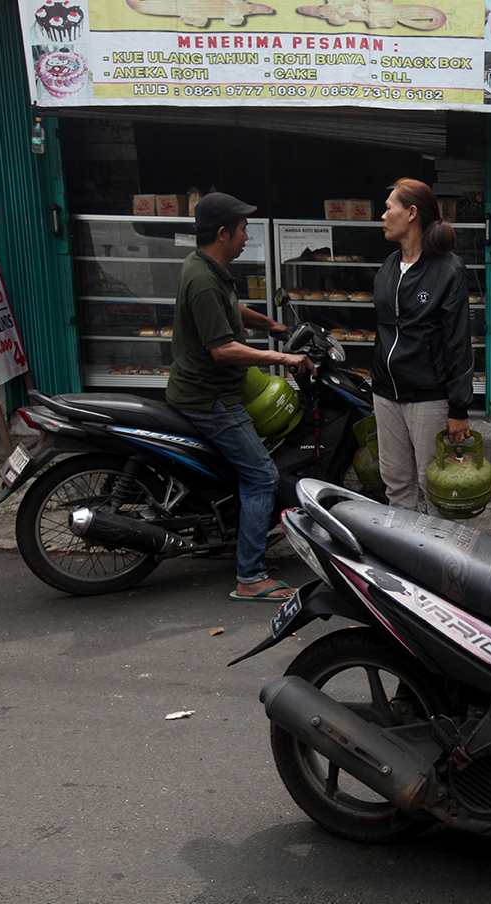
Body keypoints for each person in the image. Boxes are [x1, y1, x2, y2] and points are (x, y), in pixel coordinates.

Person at [166, 192, 315, 603]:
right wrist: (282, 356)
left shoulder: (207, 269)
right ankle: (250, 576)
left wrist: (271, 324)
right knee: (262, 476)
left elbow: (229, 306)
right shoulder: (202, 280)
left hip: (205, 389)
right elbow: (223, 350)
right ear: (222, 233)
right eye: (243, 229)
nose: (247, 236)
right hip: (211, 397)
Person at [370, 178, 474, 515]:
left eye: (389, 208)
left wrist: (459, 408)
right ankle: (404, 560)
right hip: (386, 393)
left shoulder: (448, 270)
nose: (383, 216)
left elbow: (458, 341)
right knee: (396, 485)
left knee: (435, 489)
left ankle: (437, 565)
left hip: (429, 398)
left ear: (412, 213)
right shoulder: (387, 268)